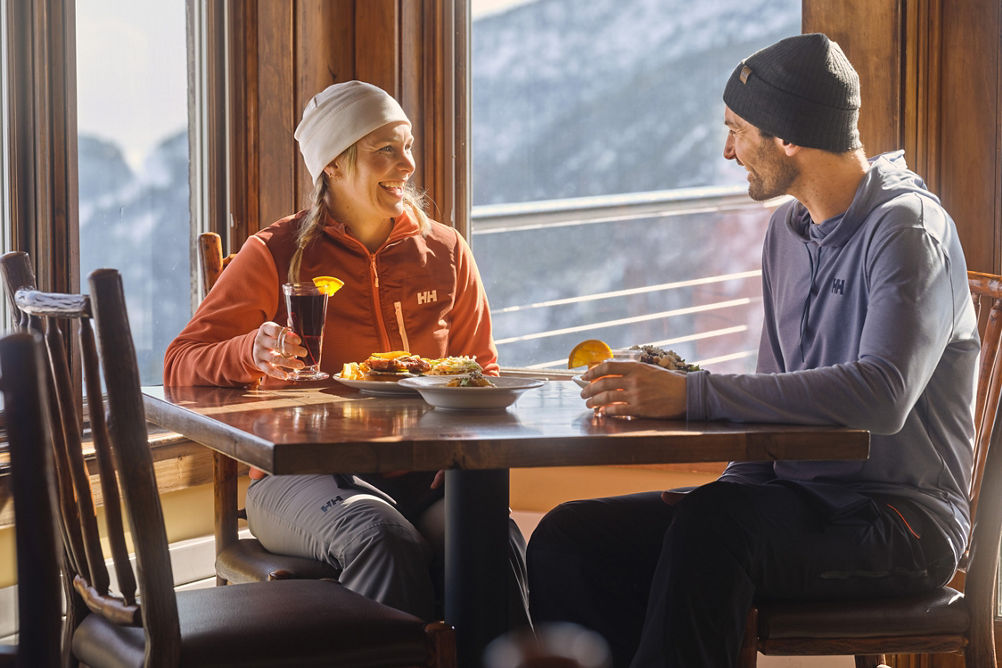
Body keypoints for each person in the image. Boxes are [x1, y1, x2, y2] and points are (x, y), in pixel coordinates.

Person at [526, 33, 978, 667]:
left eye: (737, 130)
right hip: (795, 504)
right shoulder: (787, 232)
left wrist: (690, 394)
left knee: (716, 530)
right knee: (569, 536)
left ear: (789, 136)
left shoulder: (906, 229)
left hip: (903, 523)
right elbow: (777, 395)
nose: (726, 148)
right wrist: (721, 486)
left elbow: (882, 393)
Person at [164, 80, 530, 625]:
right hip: (300, 479)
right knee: (380, 536)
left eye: (406, 145)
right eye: (385, 149)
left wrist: (462, 452)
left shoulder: (447, 251)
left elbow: (484, 373)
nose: (407, 164)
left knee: (488, 531)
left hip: (422, 476)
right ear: (332, 164)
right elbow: (180, 361)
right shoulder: (276, 252)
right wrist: (250, 349)